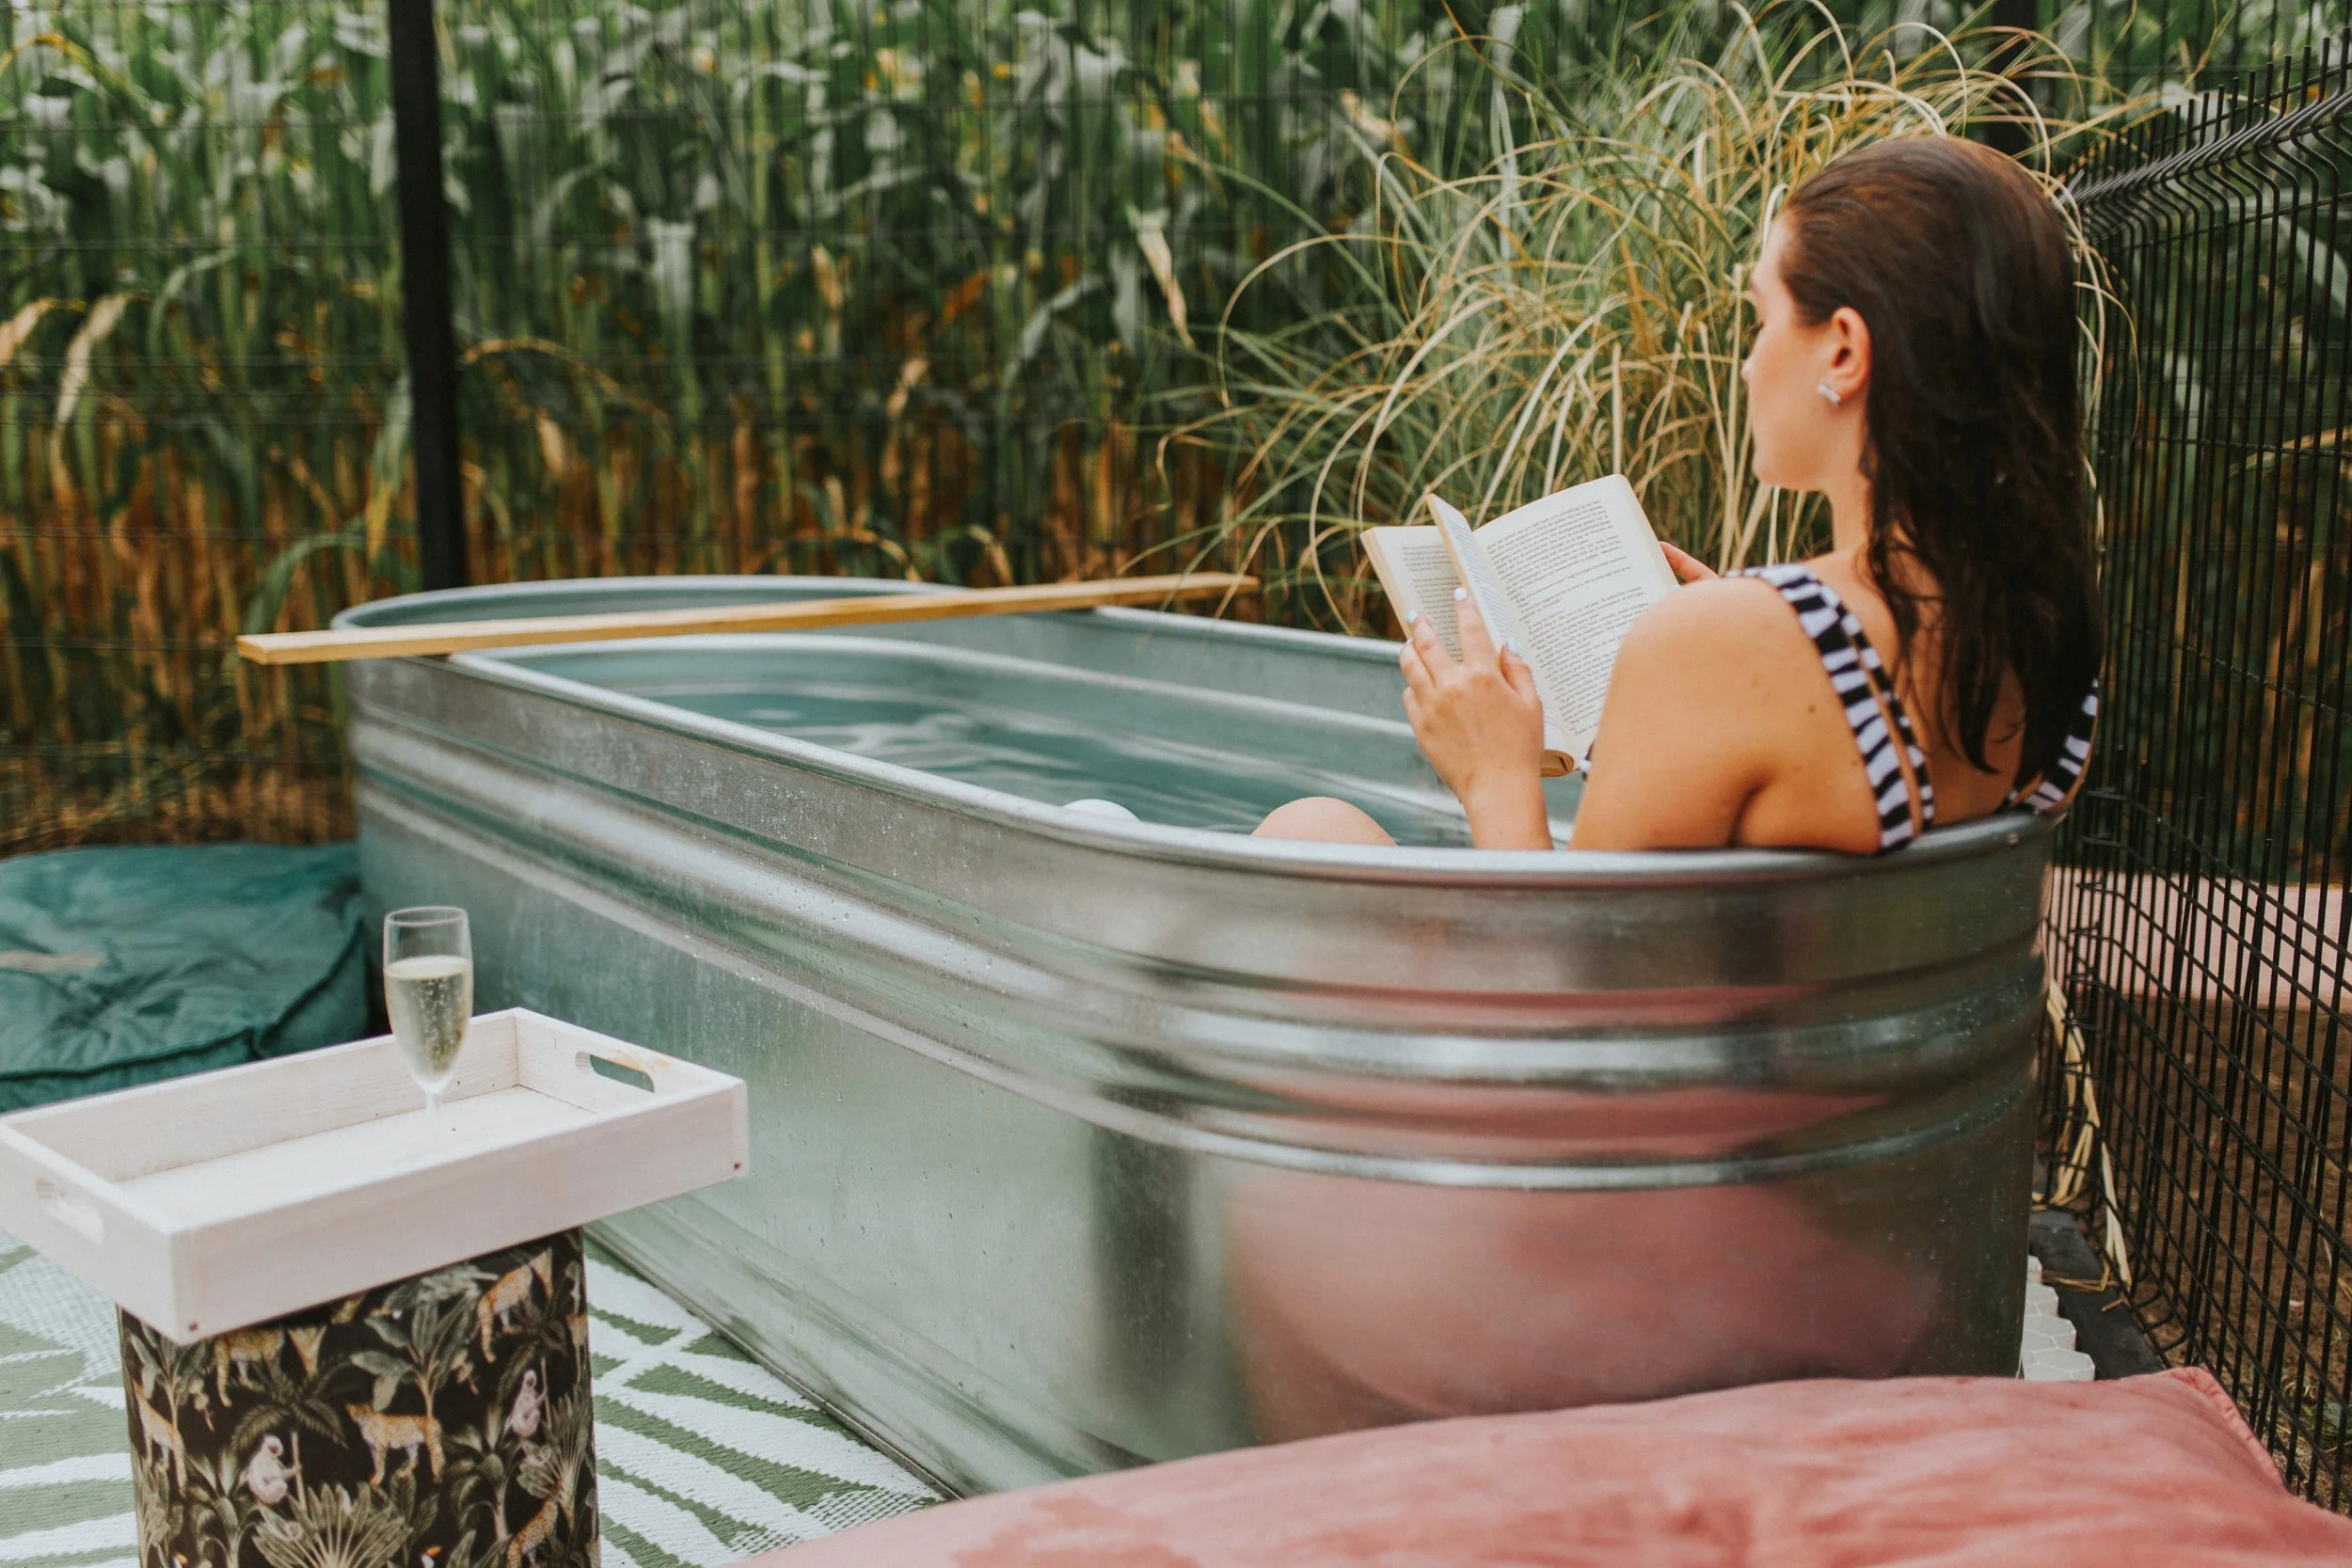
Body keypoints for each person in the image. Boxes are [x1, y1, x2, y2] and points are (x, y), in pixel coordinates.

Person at [1256, 135, 2102, 854]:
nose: (1747, 361)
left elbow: (1572, 994)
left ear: (1843, 352)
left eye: (1763, 317)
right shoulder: (2048, 641)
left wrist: (1496, 774)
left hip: (1689, 1047)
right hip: (1888, 1042)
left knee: (1310, 828)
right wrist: (1752, 625)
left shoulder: (1728, 646)